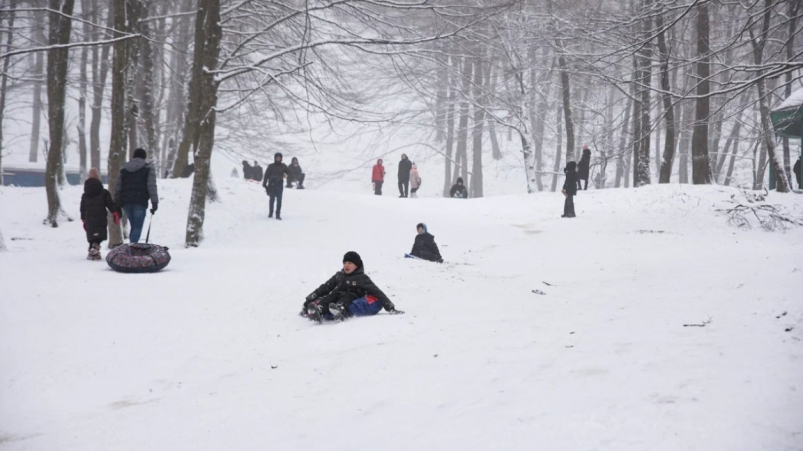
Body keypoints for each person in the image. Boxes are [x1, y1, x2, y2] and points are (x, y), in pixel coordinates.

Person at [301, 251, 403, 322]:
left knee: (346, 297)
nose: (346, 265)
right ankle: (319, 310)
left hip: (352, 296)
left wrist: (390, 307)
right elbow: (325, 287)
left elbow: (376, 291)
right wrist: (310, 298)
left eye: (350, 263)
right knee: (329, 297)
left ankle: (339, 310)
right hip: (337, 294)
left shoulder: (362, 278)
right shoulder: (339, 275)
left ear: (356, 265)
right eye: (345, 263)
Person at [115, 148, 158, 243]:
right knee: (137, 227)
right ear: (144, 157)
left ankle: (132, 246)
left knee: (134, 226)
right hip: (140, 201)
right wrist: (154, 202)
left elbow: (118, 186)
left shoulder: (124, 169)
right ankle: (132, 247)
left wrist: (117, 202)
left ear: (133, 156)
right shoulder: (148, 168)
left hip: (126, 202)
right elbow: (151, 186)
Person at [81, 168, 120, 260]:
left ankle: (93, 249)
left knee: (92, 234)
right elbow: (110, 204)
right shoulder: (104, 192)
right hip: (101, 217)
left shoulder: (85, 195)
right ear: (98, 178)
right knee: (99, 234)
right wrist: (115, 213)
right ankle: (95, 248)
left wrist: (83, 219)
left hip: (89, 217)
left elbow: (82, 208)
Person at [263, 152, 288, 220]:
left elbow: (288, 172)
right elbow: (266, 175)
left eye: (279, 158)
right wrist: (264, 183)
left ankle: (278, 214)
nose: (278, 159)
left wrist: (286, 175)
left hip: (280, 184)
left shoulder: (283, 166)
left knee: (279, 200)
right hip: (272, 184)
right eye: (277, 158)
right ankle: (270, 213)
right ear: (275, 158)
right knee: (272, 199)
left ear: (281, 158)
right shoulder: (271, 166)